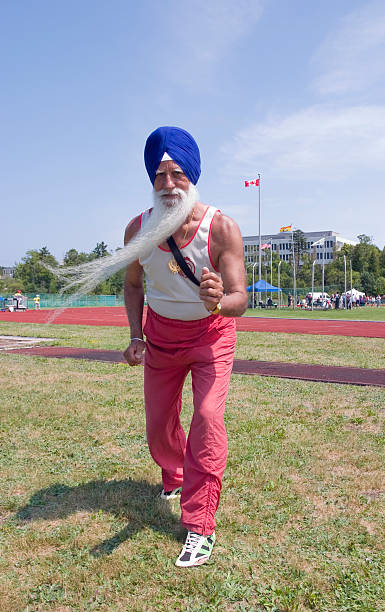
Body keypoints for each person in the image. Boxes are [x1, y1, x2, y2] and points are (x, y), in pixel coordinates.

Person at [123, 126, 247, 568]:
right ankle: (173, 473)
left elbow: (241, 299)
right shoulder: (138, 228)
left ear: (192, 177)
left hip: (211, 336)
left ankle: (200, 524)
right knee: (159, 425)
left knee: (208, 418)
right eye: (160, 175)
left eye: (178, 174)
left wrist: (218, 298)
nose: (169, 184)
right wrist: (136, 334)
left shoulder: (221, 227)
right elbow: (133, 284)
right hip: (160, 337)